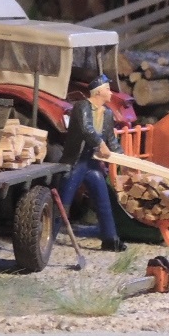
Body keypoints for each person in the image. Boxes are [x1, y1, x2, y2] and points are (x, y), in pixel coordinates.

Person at [58, 74, 127, 251]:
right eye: (108, 89)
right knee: (63, 201)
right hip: (76, 162)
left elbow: (111, 140)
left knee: (103, 200)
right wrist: (100, 144)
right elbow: (86, 129)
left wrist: (124, 159)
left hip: (92, 163)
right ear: (98, 92)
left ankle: (110, 239)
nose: (111, 93)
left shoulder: (107, 113)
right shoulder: (81, 107)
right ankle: (47, 237)